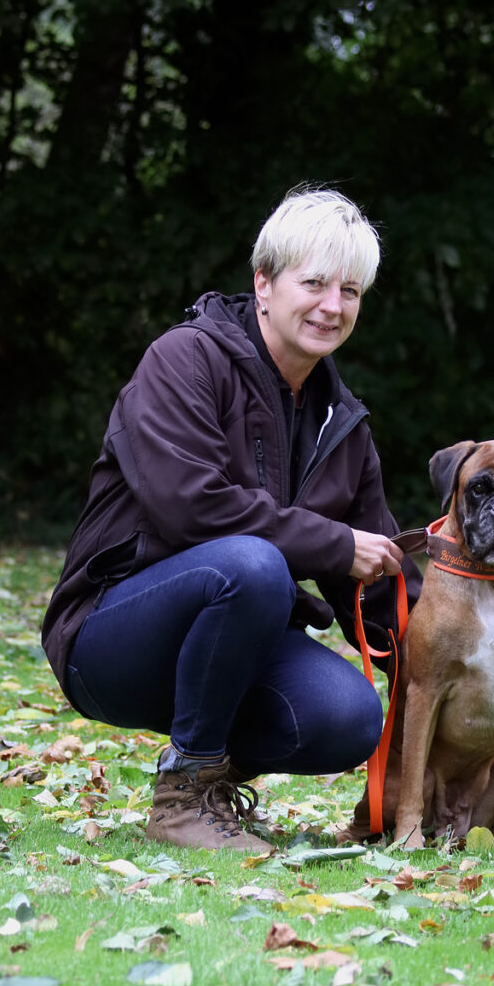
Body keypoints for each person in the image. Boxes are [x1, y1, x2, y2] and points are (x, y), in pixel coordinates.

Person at [42, 187, 421, 852]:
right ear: (264, 283)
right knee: (251, 565)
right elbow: (190, 506)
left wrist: (466, 667)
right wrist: (333, 544)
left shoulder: (344, 422)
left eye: (351, 291)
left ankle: (212, 779)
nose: (333, 306)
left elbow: (381, 583)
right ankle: (182, 798)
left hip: (231, 642)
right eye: (315, 283)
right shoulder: (183, 360)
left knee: (348, 715)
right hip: (109, 637)